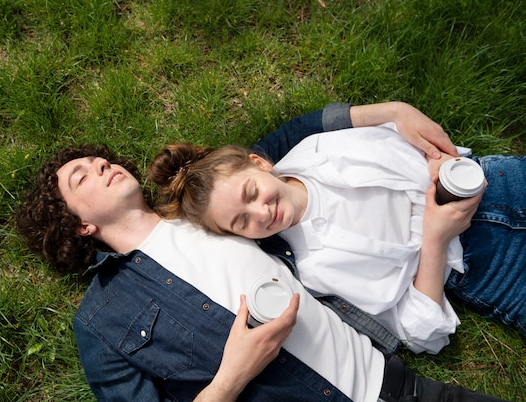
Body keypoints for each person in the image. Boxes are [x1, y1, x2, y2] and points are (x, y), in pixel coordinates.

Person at [16, 102, 505, 401]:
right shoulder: (102, 321)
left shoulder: (211, 210)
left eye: (99, 160)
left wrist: (391, 111)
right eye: (83, 176)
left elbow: (288, 140)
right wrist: (233, 376)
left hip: (401, 385)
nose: (100, 166)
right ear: (80, 225)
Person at [150, 119, 526, 355]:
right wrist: (435, 239)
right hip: (488, 267)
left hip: (495, 182)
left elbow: (406, 138)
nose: (262, 213)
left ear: (260, 163)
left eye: (251, 194)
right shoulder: (317, 272)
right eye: (241, 222)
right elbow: (423, 334)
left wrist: (437, 162)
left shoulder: (319, 149)